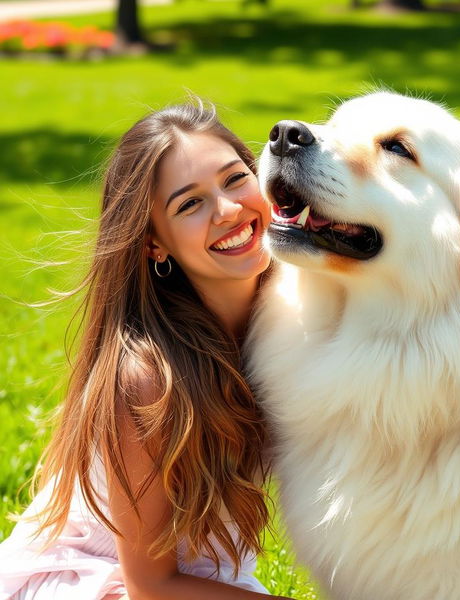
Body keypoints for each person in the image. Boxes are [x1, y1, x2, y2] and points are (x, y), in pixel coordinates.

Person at [0, 99, 292, 600]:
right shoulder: (148, 378)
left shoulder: (299, 312)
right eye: (189, 204)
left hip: (204, 582)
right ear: (155, 244)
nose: (228, 210)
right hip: (101, 581)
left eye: (235, 179)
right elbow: (149, 585)